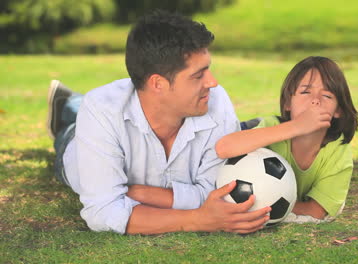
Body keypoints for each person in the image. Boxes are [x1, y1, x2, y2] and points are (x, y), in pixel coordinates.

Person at [47, 10, 271, 235]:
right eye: (198, 75)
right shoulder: (101, 109)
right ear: (158, 84)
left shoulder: (215, 100)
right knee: (70, 129)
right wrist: (196, 219)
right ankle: (67, 104)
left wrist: (145, 195)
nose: (213, 82)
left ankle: (71, 102)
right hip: (75, 149)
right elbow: (104, 212)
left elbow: (215, 192)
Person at [216, 56, 358, 223]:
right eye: (305, 92)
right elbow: (223, 148)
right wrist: (297, 126)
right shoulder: (271, 126)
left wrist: (267, 201)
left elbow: (317, 211)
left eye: (327, 95)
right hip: (253, 131)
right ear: (288, 103)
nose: (315, 100)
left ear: (338, 110)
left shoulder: (338, 151)